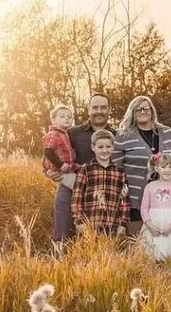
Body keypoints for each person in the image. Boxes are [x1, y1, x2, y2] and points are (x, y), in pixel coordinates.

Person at [44, 93, 116, 243]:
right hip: (71, 187)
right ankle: (61, 260)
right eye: (95, 107)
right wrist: (49, 171)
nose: (99, 111)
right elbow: (49, 152)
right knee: (63, 230)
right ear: (88, 110)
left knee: (96, 237)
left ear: (109, 110)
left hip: (102, 192)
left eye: (103, 107)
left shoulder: (118, 135)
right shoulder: (72, 132)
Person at [112, 96, 171, 237]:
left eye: (146, 108)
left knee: (161, 235)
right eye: (138, 109)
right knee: (136, 239)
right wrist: (122, 188)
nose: (142, 111)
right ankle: (137, 258)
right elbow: (117, 167)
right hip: (135, 194)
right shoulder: (123, 135)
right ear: (132, 112)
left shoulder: (167, 133)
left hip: (163, 195)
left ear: (152, 110)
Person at [70, 129, 129, 239]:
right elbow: (77, 198)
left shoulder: (120, 171)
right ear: (93, 147)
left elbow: (124, 201)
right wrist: (79, 221)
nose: (104, 150)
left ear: (113, 147)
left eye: (108, 147)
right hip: (89, 225)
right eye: (100, 147)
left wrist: (123, 223)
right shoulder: (85, 169)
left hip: (113, 225)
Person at [42, 104, 80, 254]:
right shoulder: (53, 134)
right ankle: (60, 251)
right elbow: (48, 152)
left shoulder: (66, 134)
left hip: (68, 167)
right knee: (75, 186)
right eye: (62, 116)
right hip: (61, 170)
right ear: (53, 119)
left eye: (69, 117)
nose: (67, 119)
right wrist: (59, 165)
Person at [140, 153, 171, 262]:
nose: (167, 170)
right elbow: (144, 209)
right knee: (153, 254)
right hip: (154, 226)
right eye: (163, 166)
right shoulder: (150, 187)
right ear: (157, 168)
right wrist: (150, 225)